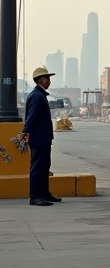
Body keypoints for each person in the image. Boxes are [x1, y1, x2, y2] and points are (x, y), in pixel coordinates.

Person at [21, 66, 59, 206]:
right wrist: (26, 131)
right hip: (38, 138)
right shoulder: (37, 96)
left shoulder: (39, 95)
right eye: (47, 79)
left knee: (44, 167)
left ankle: (44, 193)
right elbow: (32, 117)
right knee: (37, 167)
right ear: (41, 80)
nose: (49, 82)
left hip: (43, 138)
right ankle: (35, 196)